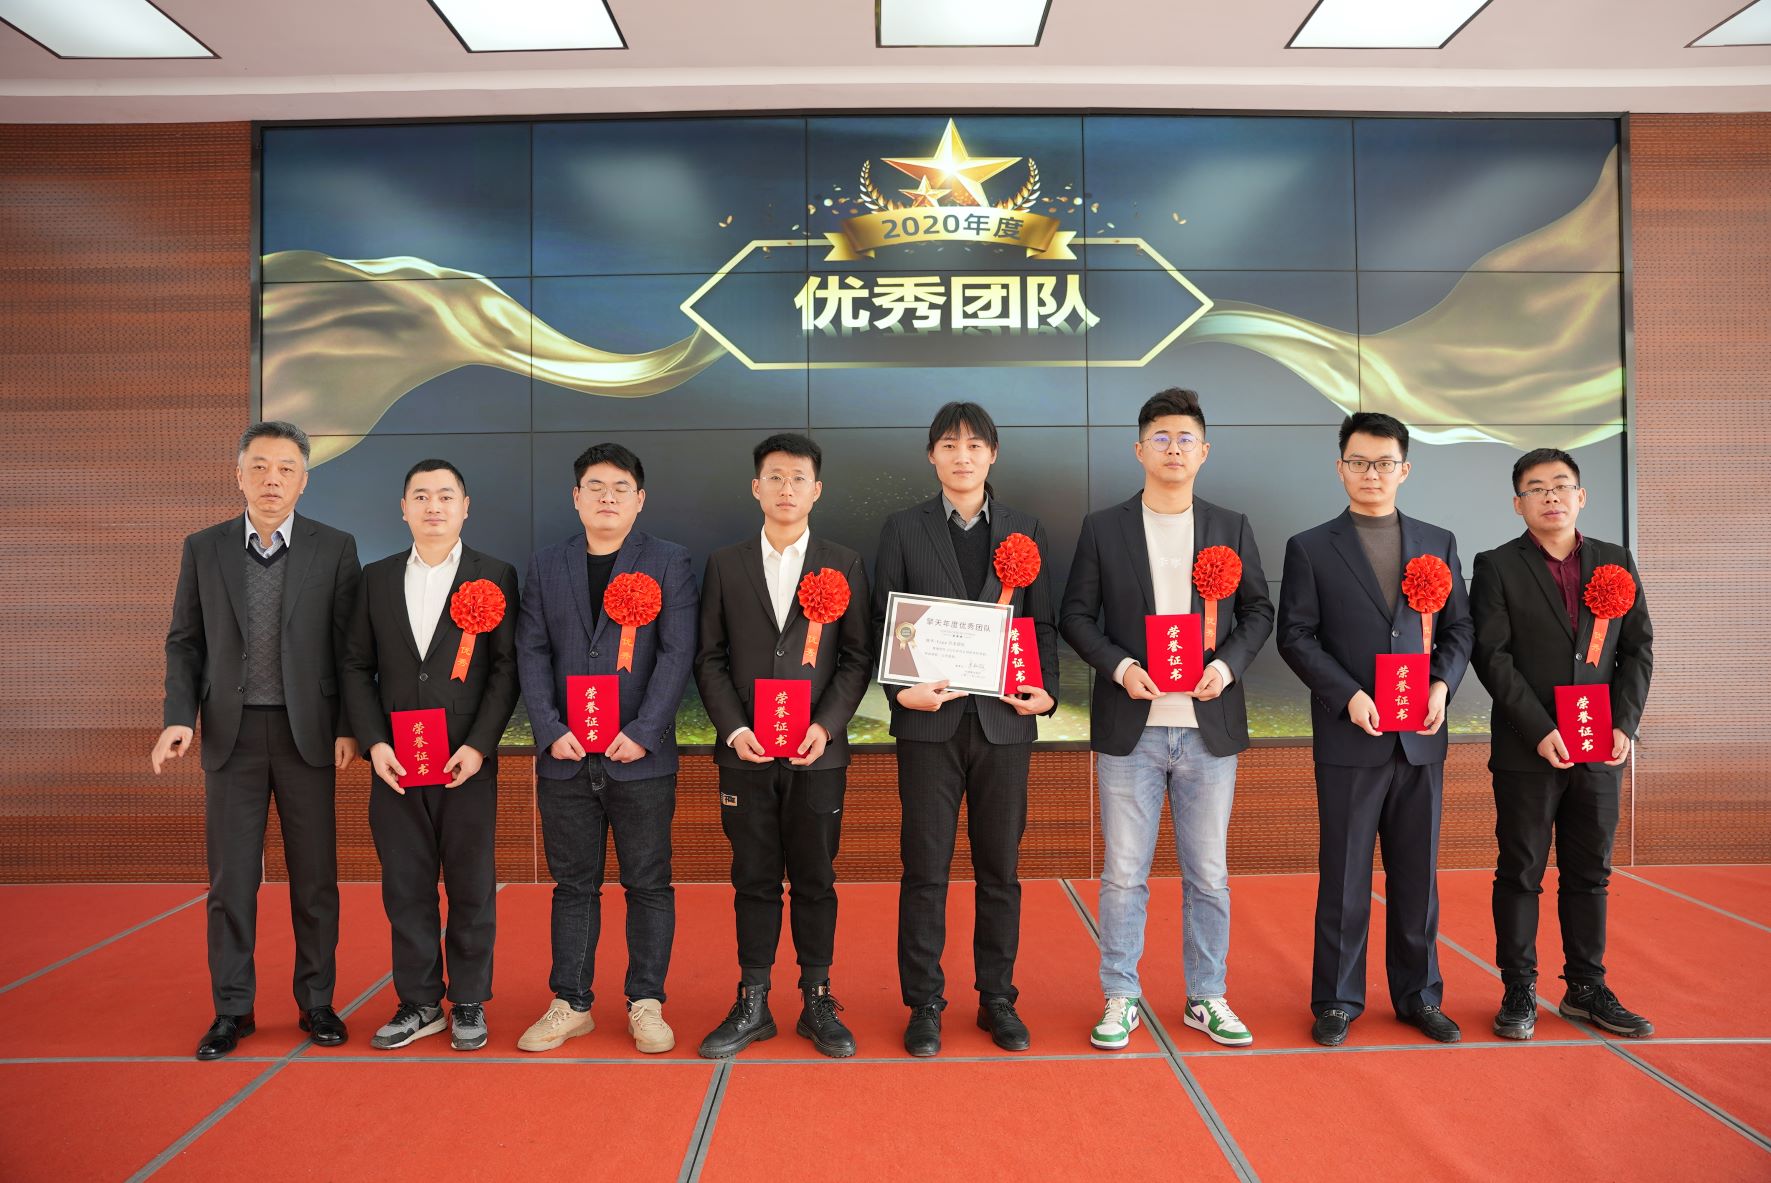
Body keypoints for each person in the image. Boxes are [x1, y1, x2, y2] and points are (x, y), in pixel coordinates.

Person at [1060, 389, 1273, 1050]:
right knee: (1124, 873)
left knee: (1208, 874)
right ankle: (1120, 994)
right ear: (1138, 449)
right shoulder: (1104, 527)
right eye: (1160, 437)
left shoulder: (1230, 525)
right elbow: (1075, 615)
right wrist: (1122, 667)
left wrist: (1227, 667)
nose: (1172, 448)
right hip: (1133, 727)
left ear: (1203, 451)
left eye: (1184, 438)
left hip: (1208, 725)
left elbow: (1258, 611)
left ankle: (1206, 995)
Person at [152, 420, 361, 1060]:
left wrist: (349, 726)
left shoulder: (335, 547)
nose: (273, 479)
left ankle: (317, 1001)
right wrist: (179, 716)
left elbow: (351, 650)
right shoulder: (204, 547)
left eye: (286, 468)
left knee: (315, 880)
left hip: (309, 736)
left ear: (304, 479)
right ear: (239, 475)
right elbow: (185, 641)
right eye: (260, 467)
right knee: (231, 882)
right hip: (231, 736)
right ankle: (232, 1010)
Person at [1277, 411, 1473, 1047]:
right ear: (1341, 468)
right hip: (1350, 734)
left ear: (1404, 469)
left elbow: (1460, 629)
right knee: (1344, 876)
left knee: (1418, 877)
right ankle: (1337, 1000)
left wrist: (1442, 685)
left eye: (1384, 463)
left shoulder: (1438, 541)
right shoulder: (1310, 547)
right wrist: (1349, 696)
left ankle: (1419, 996)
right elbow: (1296, 636)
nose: (1371, 473)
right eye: (1359, 462)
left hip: (1421, 735)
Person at [872, 401, 1060, 1057]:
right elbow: (885, 623)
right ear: (931, 456)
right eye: (949, 445)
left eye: (974, 444)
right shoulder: (903, 529)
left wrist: (1046, 693)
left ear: (992, 454)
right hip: (929, 725)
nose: (962, 456)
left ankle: (996, 998)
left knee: (999, 870)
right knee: (925, 870)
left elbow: (1042, 623)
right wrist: (900, 693)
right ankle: (923, 1002)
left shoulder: (1024, 530)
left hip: (1004, 725)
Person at [692, 433, 873, 1059]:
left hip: (817, 754)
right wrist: (734, 729)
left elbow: (857, 658)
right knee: (754, 877)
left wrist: (827, 725)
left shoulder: (844, 563)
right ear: (756, 487)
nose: (786, 488)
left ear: (816, 490)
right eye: (774, 477)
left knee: (816, 878)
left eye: (798, 478)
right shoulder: (725, 564)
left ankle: (817, 998)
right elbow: (709, 657)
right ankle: (753, 1001)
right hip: (745, 753)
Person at [514, 442, 696, 1054]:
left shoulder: (669, 561)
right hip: (566, 756)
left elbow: (677, 652)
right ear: (576, 497)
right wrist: (548, 728)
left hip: (641, 759)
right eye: (595, 486)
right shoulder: (546, 565)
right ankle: (570, 1003)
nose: (607, 497)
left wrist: (643, 731)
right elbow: (532, 650)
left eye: (621, 487)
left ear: (640, 499)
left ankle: (647, 1002)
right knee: (573, 886)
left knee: (648, 884)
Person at [1470, 448, 1654, 1039]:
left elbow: (1638, 649)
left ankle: (1585, 987)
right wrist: (1540, 729)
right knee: (1520, 871)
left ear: (1581, 496)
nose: (1551, 495)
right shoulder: (1497, 565)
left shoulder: (1614, 560)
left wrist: (1623, 724)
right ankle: (1518, 987)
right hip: (1528, 748)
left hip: (1600, 745)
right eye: (1536, 488)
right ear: (1518, 503)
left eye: (1561, 485)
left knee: (1590, 872)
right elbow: (1492, 657)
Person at [342, 460, 520, 1052]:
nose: (434, 506)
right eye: (421, 496)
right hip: (396, 762)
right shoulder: (375, 578)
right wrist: (374, 742)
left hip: (465, 763)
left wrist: (479, 745)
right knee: (405, 887)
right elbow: (355, 666)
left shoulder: (494, 575)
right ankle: (419, 1002)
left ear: (466, 507)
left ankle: (468, 1000)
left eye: (446, 495)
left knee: (471, 885)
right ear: (403, 508)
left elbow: (505, 669)